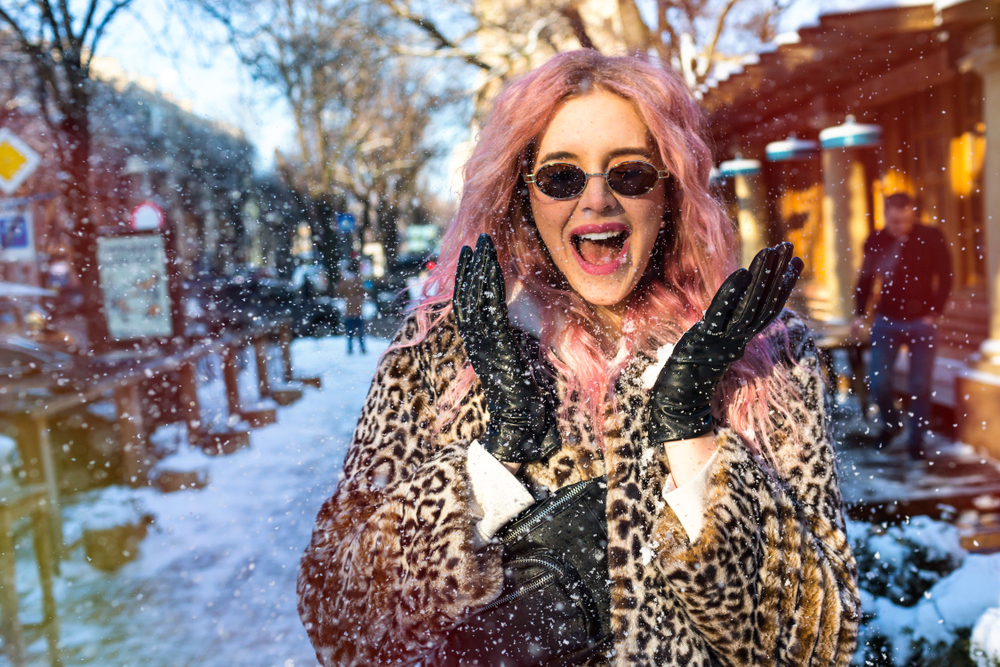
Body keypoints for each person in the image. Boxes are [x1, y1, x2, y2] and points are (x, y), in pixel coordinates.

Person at [298, 51, 859, 667]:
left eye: (631, 174)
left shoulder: (763, 356)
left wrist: (690, 431)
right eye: (562, 177)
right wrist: (491, 463)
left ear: (669, 191)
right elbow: (338, 618)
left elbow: (817, 648)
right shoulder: (441, 352)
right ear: (521, 193)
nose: (597, 203)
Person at [852, 193, 952, 460]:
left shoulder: (931, 236)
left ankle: (916, 444)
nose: (900, 227)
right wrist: (859, 314)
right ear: (886, 216)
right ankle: (892, 425)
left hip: (922, 322)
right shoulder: (876, 241)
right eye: (895, 221)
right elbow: (865, 277)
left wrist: (936, 312)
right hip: (887, 321)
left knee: (920, 385)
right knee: (879, 382)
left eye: (906, 220)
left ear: (912, 214)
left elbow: (946, 275)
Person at [335, 263, 367, 355]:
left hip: (350, 311)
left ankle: (351, 349)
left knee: (350, 332)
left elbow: (338, 292)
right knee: (359, 332)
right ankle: (361, 348)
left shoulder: (345, 282)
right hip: (356, 310)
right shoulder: (357, 281)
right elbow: (363, 292)